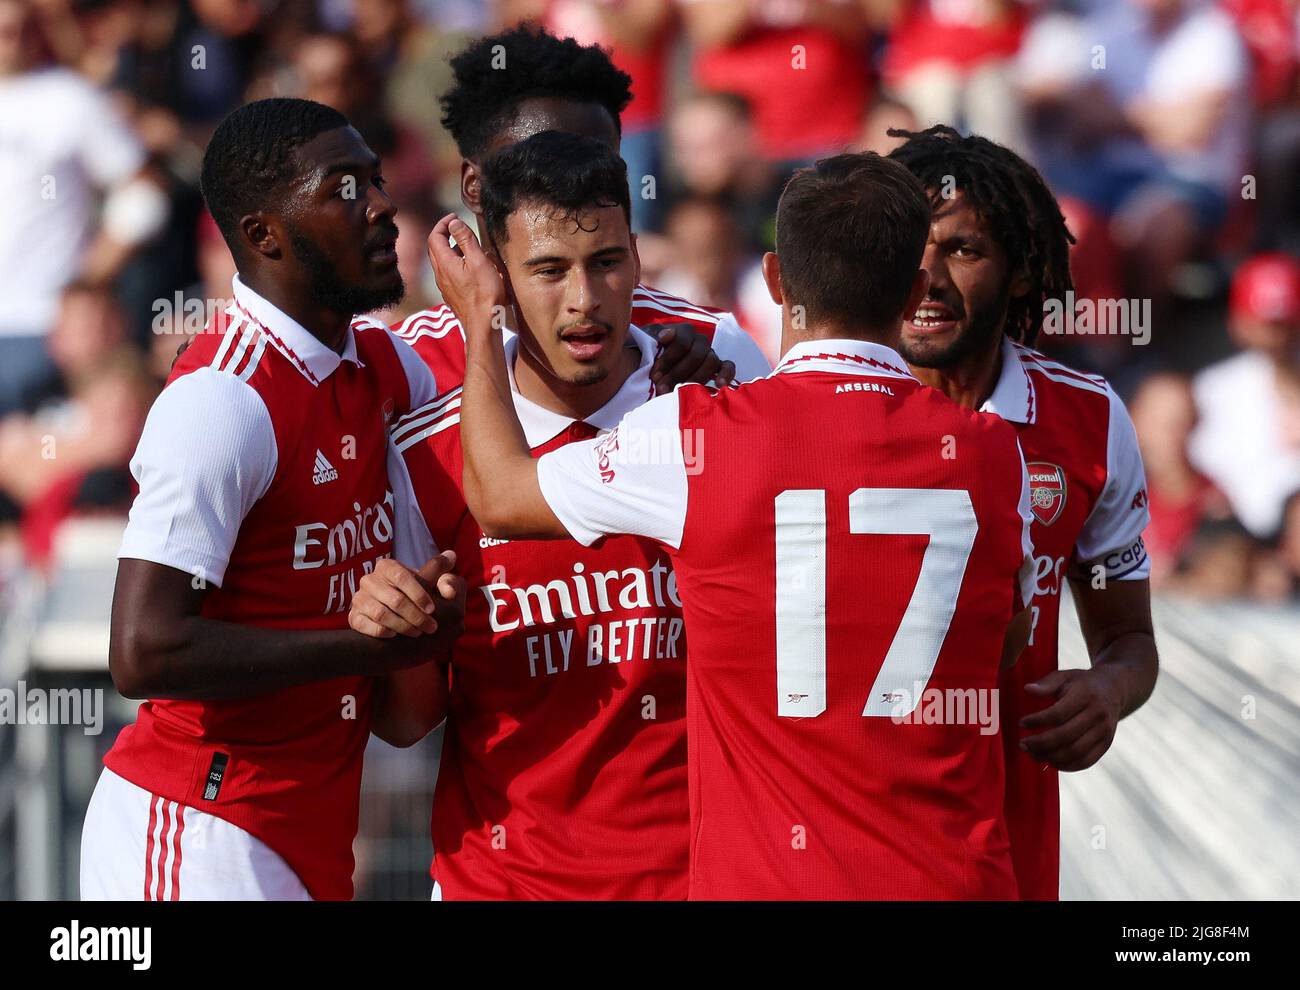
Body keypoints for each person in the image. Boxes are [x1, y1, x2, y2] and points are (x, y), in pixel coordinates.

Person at [432, 150, 1039, 899]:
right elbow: (1008, 638)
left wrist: (482, 323)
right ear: (915, 289)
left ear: (777, 281)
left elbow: (497, 493)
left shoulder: (695, 436)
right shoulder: (992, 451)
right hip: (954, 880)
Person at [80, 99, 466, 902]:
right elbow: (143, 651)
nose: (383, 205)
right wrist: (366, 648)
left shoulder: (375, 366)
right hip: (195, 826)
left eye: (376, 180)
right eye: (345, 188)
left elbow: (398, 719)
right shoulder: (222, 402)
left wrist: (667, 358)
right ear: (264, 236)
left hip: (301, 836)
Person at [349, 132, 705, 899]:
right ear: (497, 280)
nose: (584, 299)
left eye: (606, 262)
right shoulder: (426, 453)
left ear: (638, 258)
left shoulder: (720, 418)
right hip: (502, 884)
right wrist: (396, 629)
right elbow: (408, 722)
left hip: (698, 881)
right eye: (548, 270)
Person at [887, 125, 1158, 900]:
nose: (926, 278)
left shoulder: (1088, 421)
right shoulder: (805, 409)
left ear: (1018, 272)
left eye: (963, 251)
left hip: (1004, 846)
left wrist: (1106, 691)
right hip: (837, 841)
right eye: (908, 248)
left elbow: (1130, 639)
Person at [391, 25, 772, 393]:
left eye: (595, 165)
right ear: (472, 187)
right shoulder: (404, 368)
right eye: (536, 165)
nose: (573, 181)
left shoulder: (714, 351)